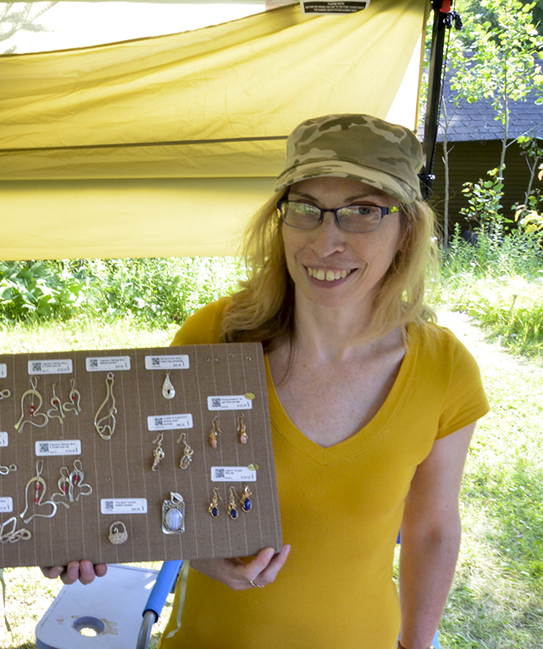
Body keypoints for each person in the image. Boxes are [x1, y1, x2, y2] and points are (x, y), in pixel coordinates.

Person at [159, 114, 488, 649]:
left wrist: (417, 643)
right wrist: (198, 552)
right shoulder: (213, 338)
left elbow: (431, 530)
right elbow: (160, 487)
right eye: (305, 209)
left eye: (362, 212)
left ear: (405, 230)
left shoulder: (443, 370)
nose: (325, 241)